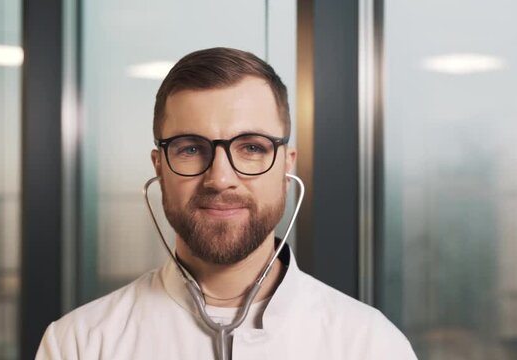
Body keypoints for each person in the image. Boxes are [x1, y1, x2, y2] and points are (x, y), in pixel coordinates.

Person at [35, 47, 417, 359]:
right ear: (159, 166)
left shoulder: (371, 345)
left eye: (251, 147)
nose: (220, 178)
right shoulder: (78, 345)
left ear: (287, 165)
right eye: (190, 149)